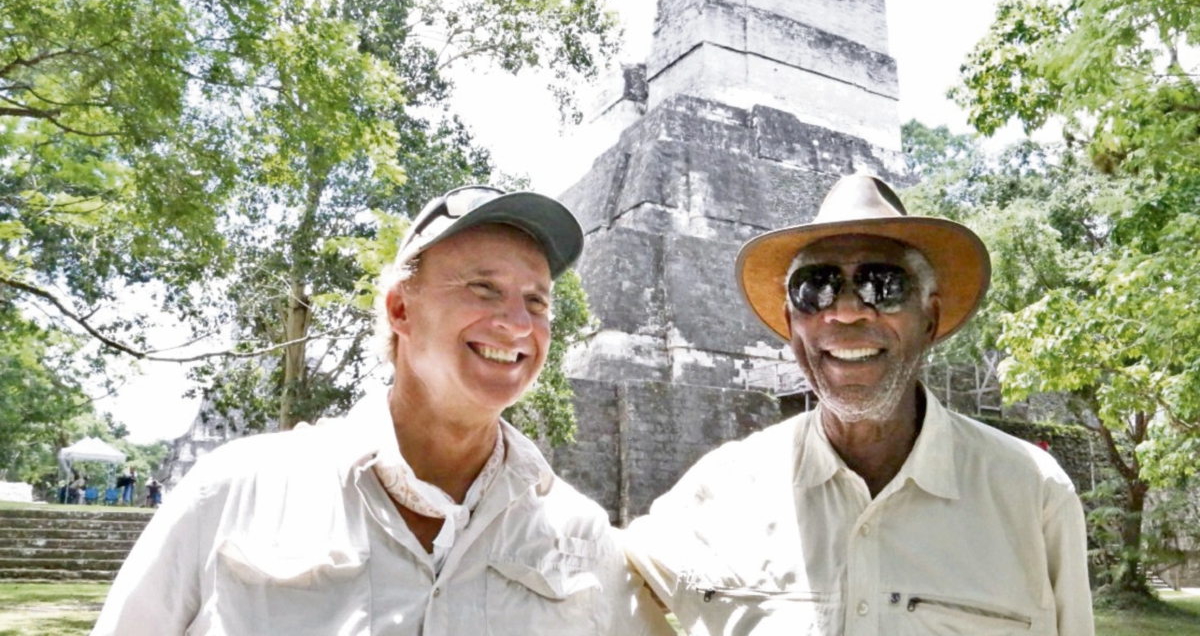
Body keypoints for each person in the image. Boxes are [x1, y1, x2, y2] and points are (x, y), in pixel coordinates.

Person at [94, 185, 672, 636]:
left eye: (537, 301)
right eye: (483, 289)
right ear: (400, 309)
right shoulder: (237, 490)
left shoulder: (579, 534)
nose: (518, 325)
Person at [624, 174, 1094, 635]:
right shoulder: (721, 490)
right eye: (816, 288)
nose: (846, 311)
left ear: (929, 317)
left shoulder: (1033, 495)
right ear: (792, 323)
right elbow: (591, 580)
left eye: (882, 285)